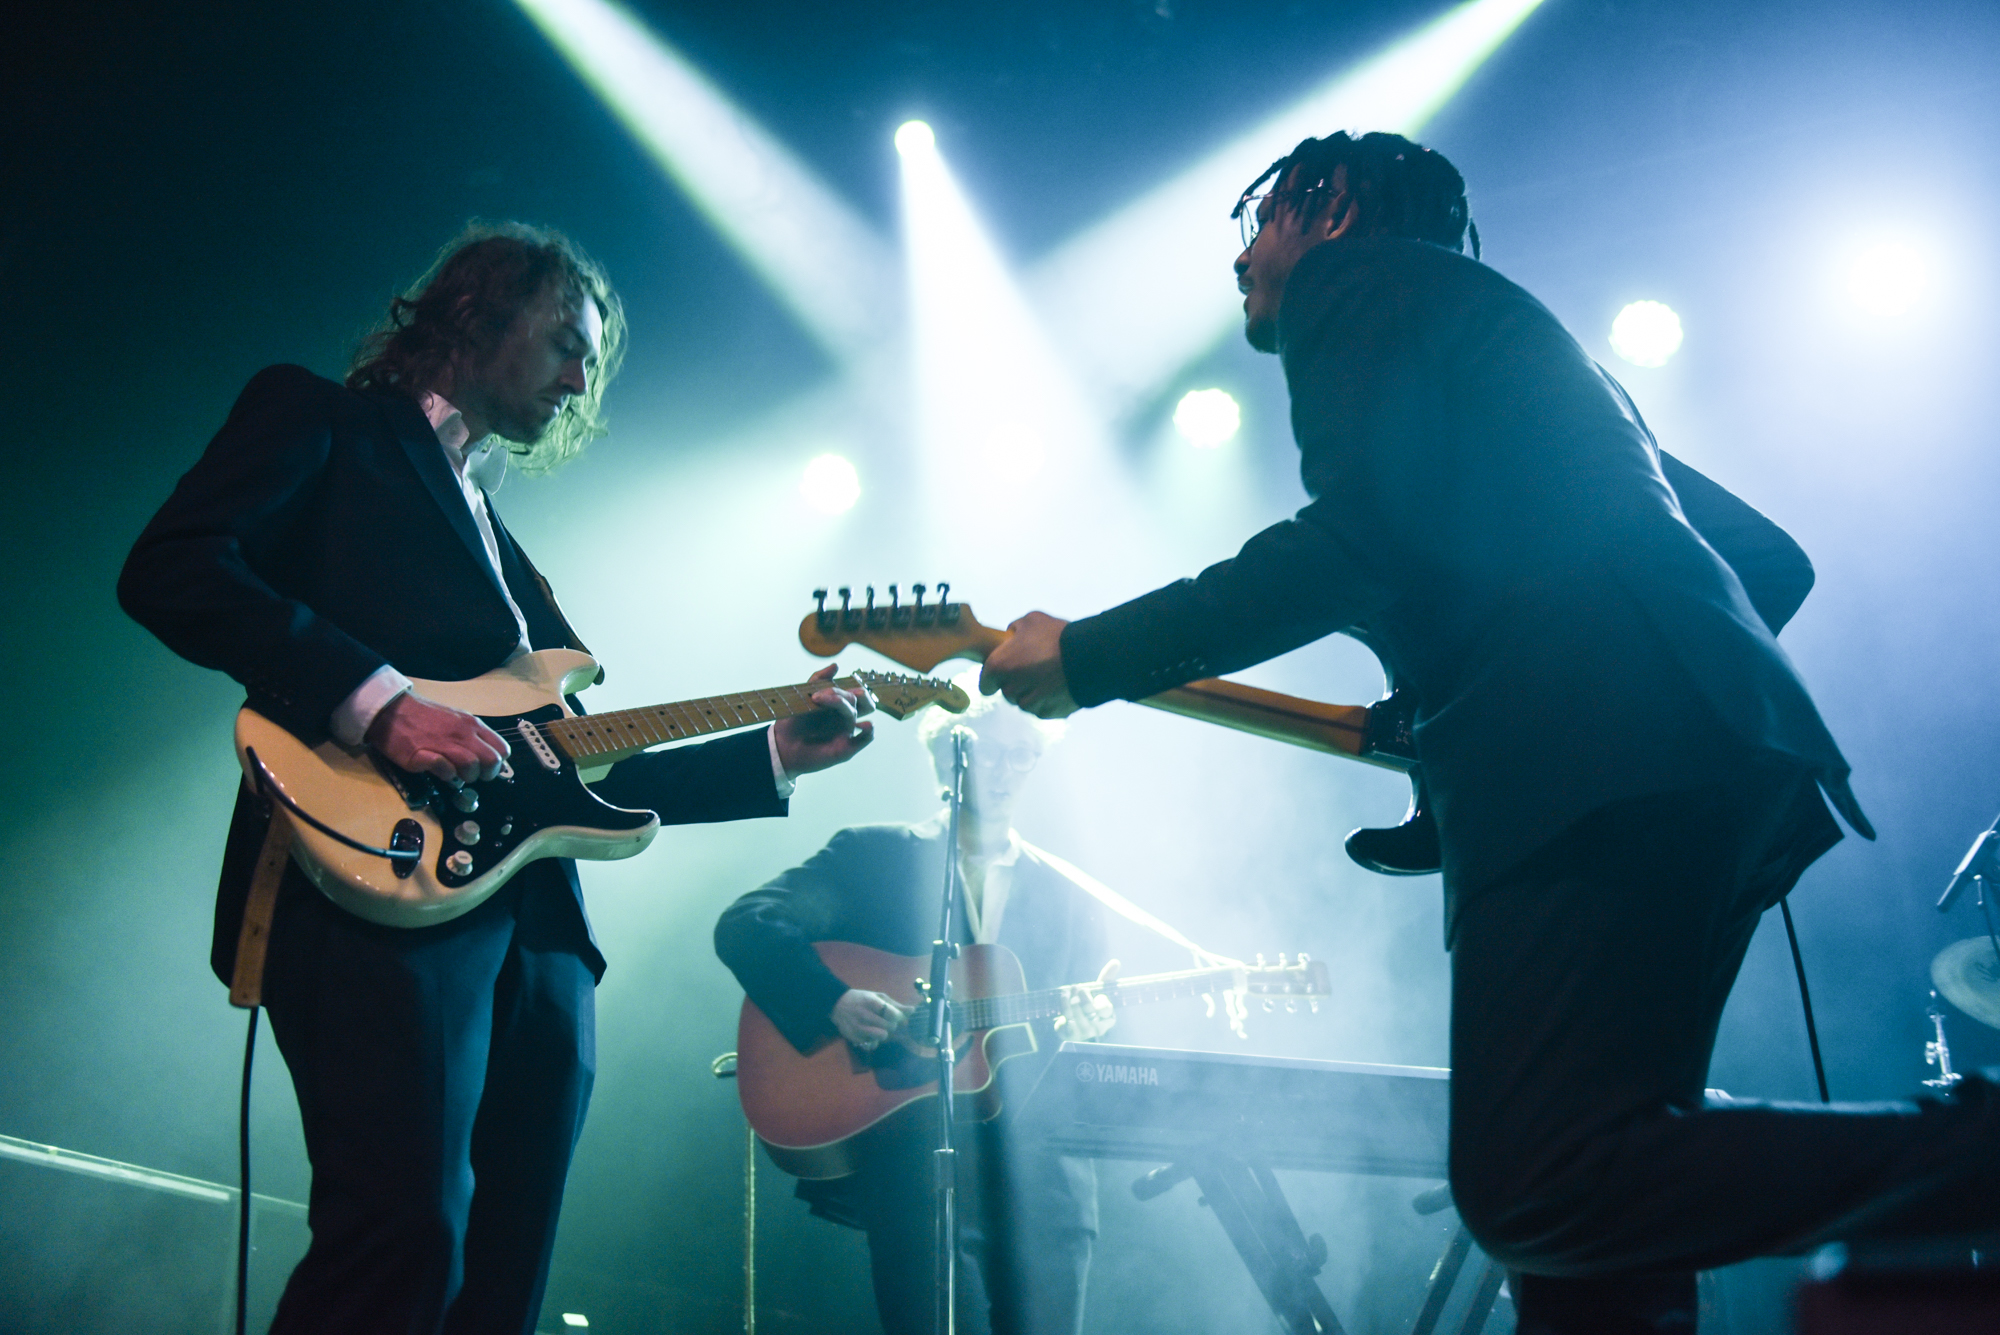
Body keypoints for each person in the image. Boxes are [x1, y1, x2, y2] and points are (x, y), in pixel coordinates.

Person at [978, 131, 2000, 1332]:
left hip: (1597, 783)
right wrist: (1509, 693)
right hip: (1715, 770)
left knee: (1536, 1185)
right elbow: (1766, 562)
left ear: (1331, 210)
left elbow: (1353, 543)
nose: (1244, 260)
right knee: (1598, 1231)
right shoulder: (1522, 359)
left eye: (1260, 223)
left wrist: (1088, 656)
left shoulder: (1354, 287)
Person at [117, 223, 873, 1335]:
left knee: (502, 1271)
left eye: (588, 364)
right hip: (371, 873)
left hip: (536, 922)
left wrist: (771, 752)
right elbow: (173, 567)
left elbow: (573, 764)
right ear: (476, 314)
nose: (578, 383)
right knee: (401, 1236)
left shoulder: (503, 545)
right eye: (565, 345)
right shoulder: (323, 420)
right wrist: (378, 702)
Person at [715, 679, 1119, 1335]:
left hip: (1045, 1184)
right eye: (988, 751)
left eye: (1022, 754)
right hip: (913, 1168)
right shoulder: (874, 856)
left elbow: (1089, 1026)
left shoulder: (1070, 894)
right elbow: (746, 923)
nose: (1006, 769)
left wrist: (1091, 1024)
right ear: (945, 755)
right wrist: (832, 1000)